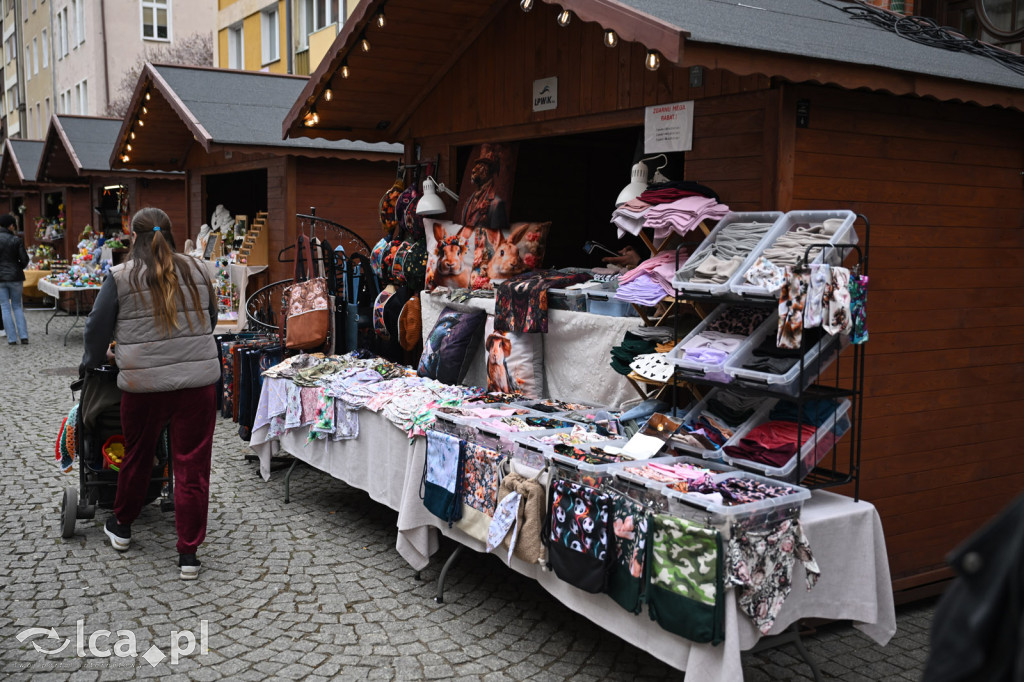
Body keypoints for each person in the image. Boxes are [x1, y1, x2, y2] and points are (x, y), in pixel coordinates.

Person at [81, 207, 220, 580]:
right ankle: (188, 554)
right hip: (198, 382)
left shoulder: (121, 276)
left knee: (137, 454)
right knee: (192, 465)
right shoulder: (199, 268)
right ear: (172, 233)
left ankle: (123, 525)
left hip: (143, 386)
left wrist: (97, 358)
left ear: (132, 236)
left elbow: (96, 327)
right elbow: (211, 317)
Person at [0, 213, 30, 345]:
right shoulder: (16, 240)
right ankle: (23, 336)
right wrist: (17, 268)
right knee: (17, 306)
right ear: (11, 226)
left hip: (0, 278)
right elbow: (25, 259)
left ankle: (11, 339)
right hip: (16, 277)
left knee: (5, 307)